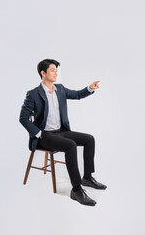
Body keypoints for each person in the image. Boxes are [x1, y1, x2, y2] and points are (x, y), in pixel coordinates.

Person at [19, 58, 107, 206]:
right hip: (44, 135)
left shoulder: (60, 89)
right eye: (52, 70)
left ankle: (87, 177)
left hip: (61, 132)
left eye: (56, 70)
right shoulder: (33, 94)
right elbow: (23, 118)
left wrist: (90, 88)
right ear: (43, 72)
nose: (55, 73)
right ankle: (76, 190)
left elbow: (77, 94)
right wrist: (38, 133)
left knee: (89, 139)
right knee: (71, 145)